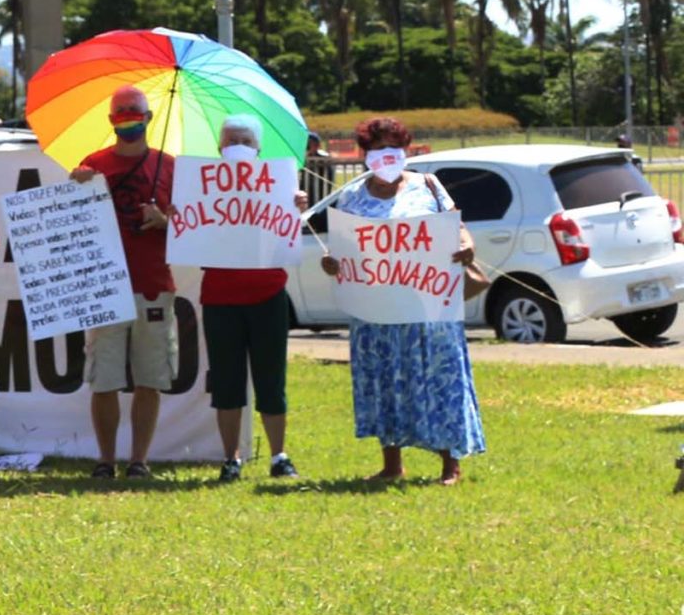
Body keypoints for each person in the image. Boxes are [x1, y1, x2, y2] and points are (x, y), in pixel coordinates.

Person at [319, 116, 485, 486]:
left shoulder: (429, 186)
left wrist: (466, 245)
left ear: (406, 151)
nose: (385, 156)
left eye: (393, 148)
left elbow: (455, 224)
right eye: (376, 149)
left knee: (439, 377)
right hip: (375, 307)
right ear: (365, 155)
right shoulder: (351, 196)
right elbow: (342, 247)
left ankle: (450, 464)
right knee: (384, 380)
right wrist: (331, 262)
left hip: (429, 305)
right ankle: (391, 463)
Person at [70, 86, 176, 479]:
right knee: (104, 380)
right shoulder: (92, 164)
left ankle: (139, 460)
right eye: (121, 112)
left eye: (136, 111)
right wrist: (75, 184)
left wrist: (164, 221)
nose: (129, 117)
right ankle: (105, 460)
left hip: (153, 285)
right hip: (104, 288)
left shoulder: (171, 166)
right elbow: (71, 222)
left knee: (150, 378)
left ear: (149, 118)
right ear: (111, 119)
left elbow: (193, 227)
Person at [200, 116, 306, 482]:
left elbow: (287, 234)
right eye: (231, 139)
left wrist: (296, 205)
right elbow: (192, 237)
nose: (238, 145)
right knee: (226, 383)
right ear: (219, 147)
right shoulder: (201, 186)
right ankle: (231, 459)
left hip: (268, 294)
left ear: (258, 148)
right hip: (219, 297)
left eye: (245, 139)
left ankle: (279, 456)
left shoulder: (279, 185)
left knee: (271, 380)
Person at [303, 129, 335, 201]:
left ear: (317, 145)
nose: (307, 146)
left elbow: (328, 180)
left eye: (310, 143)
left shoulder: (324, 159)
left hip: (320, 196)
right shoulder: (302, 159)